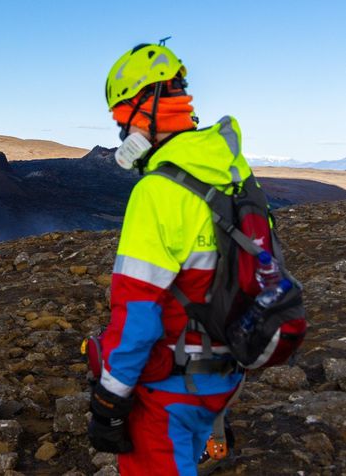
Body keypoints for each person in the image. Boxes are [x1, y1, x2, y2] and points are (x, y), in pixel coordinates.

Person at [88, 42, 249, 475]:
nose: (121, 131)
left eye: (122, 115)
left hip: (172, 391)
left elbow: (137, 318)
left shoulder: (157, 192)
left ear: (148, 105)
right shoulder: (232, 173)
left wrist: (109, 400)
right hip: (226, 373)